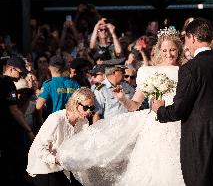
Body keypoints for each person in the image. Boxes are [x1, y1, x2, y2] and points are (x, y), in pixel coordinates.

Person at [57, 27, 186, 186]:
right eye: (165, 50)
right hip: (155, 128)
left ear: (179, 50)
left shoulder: (186, 71)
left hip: (180, 126)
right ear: (159, 50)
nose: (169, 54)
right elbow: (134, 106)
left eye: (172, 49)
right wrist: (123, 98)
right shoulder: (148, 72)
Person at [151, 18, 213, 186]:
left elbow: (179, 110)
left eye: (185, 39)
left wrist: (159, 110)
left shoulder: (190, 69)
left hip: (200, 144)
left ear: (191, 37)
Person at [27, 87, 95, 186]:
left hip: (64, 167)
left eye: (91, 108)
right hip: (44, 167)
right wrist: (55, 159)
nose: (89, 111)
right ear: (75, 104)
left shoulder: (84, 122)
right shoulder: (56, 119)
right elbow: (39, 147)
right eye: (86, 107)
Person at [0, 56, 35, 186]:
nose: (21, 76)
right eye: (20, 72)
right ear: (11, 69)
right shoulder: (7, 83)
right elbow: (14, 110)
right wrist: (29, 130)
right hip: (8, 134)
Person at [36, 55, 81, 119]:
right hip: (72, 122)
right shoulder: (75, 84)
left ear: (49, 67)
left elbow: (38, 106)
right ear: (63, 67)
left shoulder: (48, 84)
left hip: (55, 122)